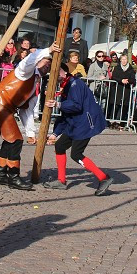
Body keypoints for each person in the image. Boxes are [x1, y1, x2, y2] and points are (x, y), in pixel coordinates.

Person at [0, 44, 60, 189]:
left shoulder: (35, 84)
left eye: (49, 66)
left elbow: (26, 111)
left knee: (10, 140)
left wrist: (30, 133)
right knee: (15, 140)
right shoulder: (26, 71)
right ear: (38, 62)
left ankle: (1, 174)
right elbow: (30, 59)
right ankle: (13, 177)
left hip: (4, 106)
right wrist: (48, 50)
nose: (47, 66)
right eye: (45, 62)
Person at [43, 61, 112, 194]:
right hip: (74, 123)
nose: (54, 76)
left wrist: (58, 104)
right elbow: (65, 115)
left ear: (64, 71)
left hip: (85, 124)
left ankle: (104, 178)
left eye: (56, 72)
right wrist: (55, 133)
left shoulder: (75, 84)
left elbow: (76, 105)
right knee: (60, 146)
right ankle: (61, 180)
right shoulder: (65, 86)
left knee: (76, 154)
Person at [111, 51, 135, 127]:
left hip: (127, 89)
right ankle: (113, 121)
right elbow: (113, 77)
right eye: (123, 59)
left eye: (125, 59)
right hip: (118, 89)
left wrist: (127, 81)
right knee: (116, 105)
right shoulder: (117, 68)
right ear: (120, 60)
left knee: (125, 106)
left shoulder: (131, 69)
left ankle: (121, 122)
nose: (124, 61)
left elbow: (133, 79)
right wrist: (121, 80)